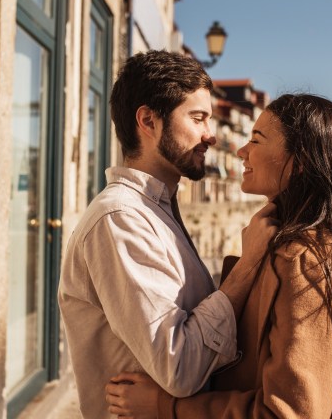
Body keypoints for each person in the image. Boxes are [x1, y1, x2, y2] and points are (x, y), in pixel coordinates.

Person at [106, 93, 332, 418]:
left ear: (299, 162)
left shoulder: (305, 260)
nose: (241, 151)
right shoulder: (298, 249)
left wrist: (166, 407)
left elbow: (287, 413)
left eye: (256, 139)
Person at [58, 50, 276, 419]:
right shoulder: (120, 219)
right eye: (197, 118)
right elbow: (180, 366)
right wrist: (246, 267)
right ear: (148, 121)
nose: (211, 135)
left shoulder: (156, 211)